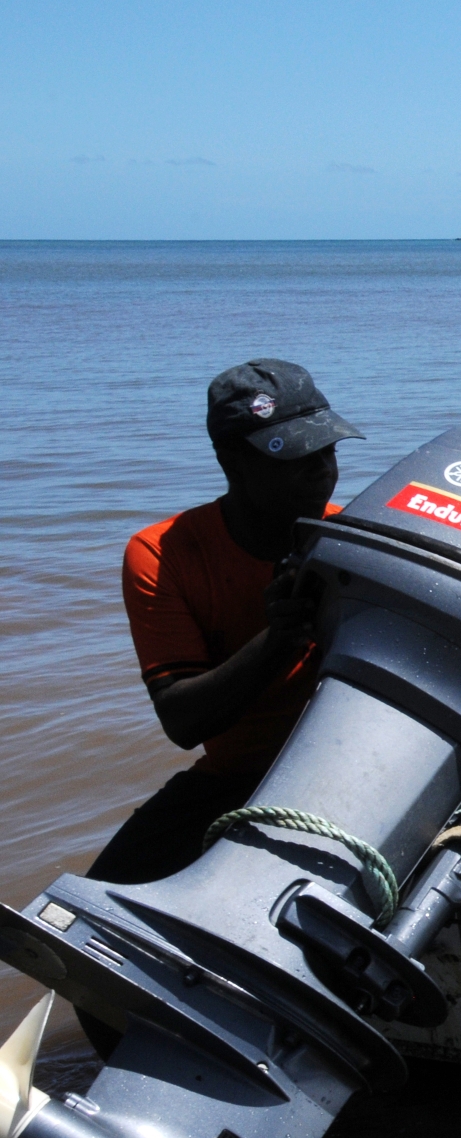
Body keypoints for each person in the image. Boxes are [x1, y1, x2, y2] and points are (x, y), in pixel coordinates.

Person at [90, 359, 362, 891]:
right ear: (232, 461)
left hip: (354, 755)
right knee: (101, 900)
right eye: (296, 453)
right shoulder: (164, 554)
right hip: (242, 775)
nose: (321, 468)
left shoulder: (356, 539)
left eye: (328, 449)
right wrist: (279, 640)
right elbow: (182, 721)